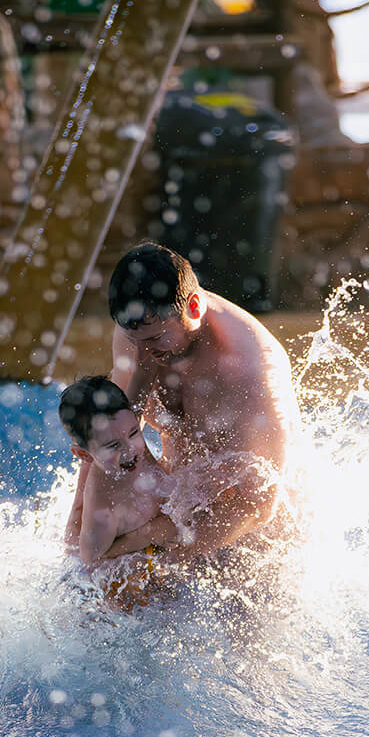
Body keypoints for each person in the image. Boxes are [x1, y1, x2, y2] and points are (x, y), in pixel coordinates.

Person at [70, 242, 299, 565]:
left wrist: (141, 549)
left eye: (153, 341)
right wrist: (76, 539)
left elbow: (259, 505)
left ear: (193, 307)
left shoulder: (249, 369)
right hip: (177, 517)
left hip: (258, 542)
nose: (141, 353)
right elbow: (104, 443)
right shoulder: (139, 332)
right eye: (133, 340)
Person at [59, 375, 172, 566]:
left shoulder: (122, 428)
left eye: (135, 432)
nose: (130, 449)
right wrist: (151, 533)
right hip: (103, 557)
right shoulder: (104, 509)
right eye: (113, 446)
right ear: (82, 454)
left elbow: (142, 371)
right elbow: (91, 562)